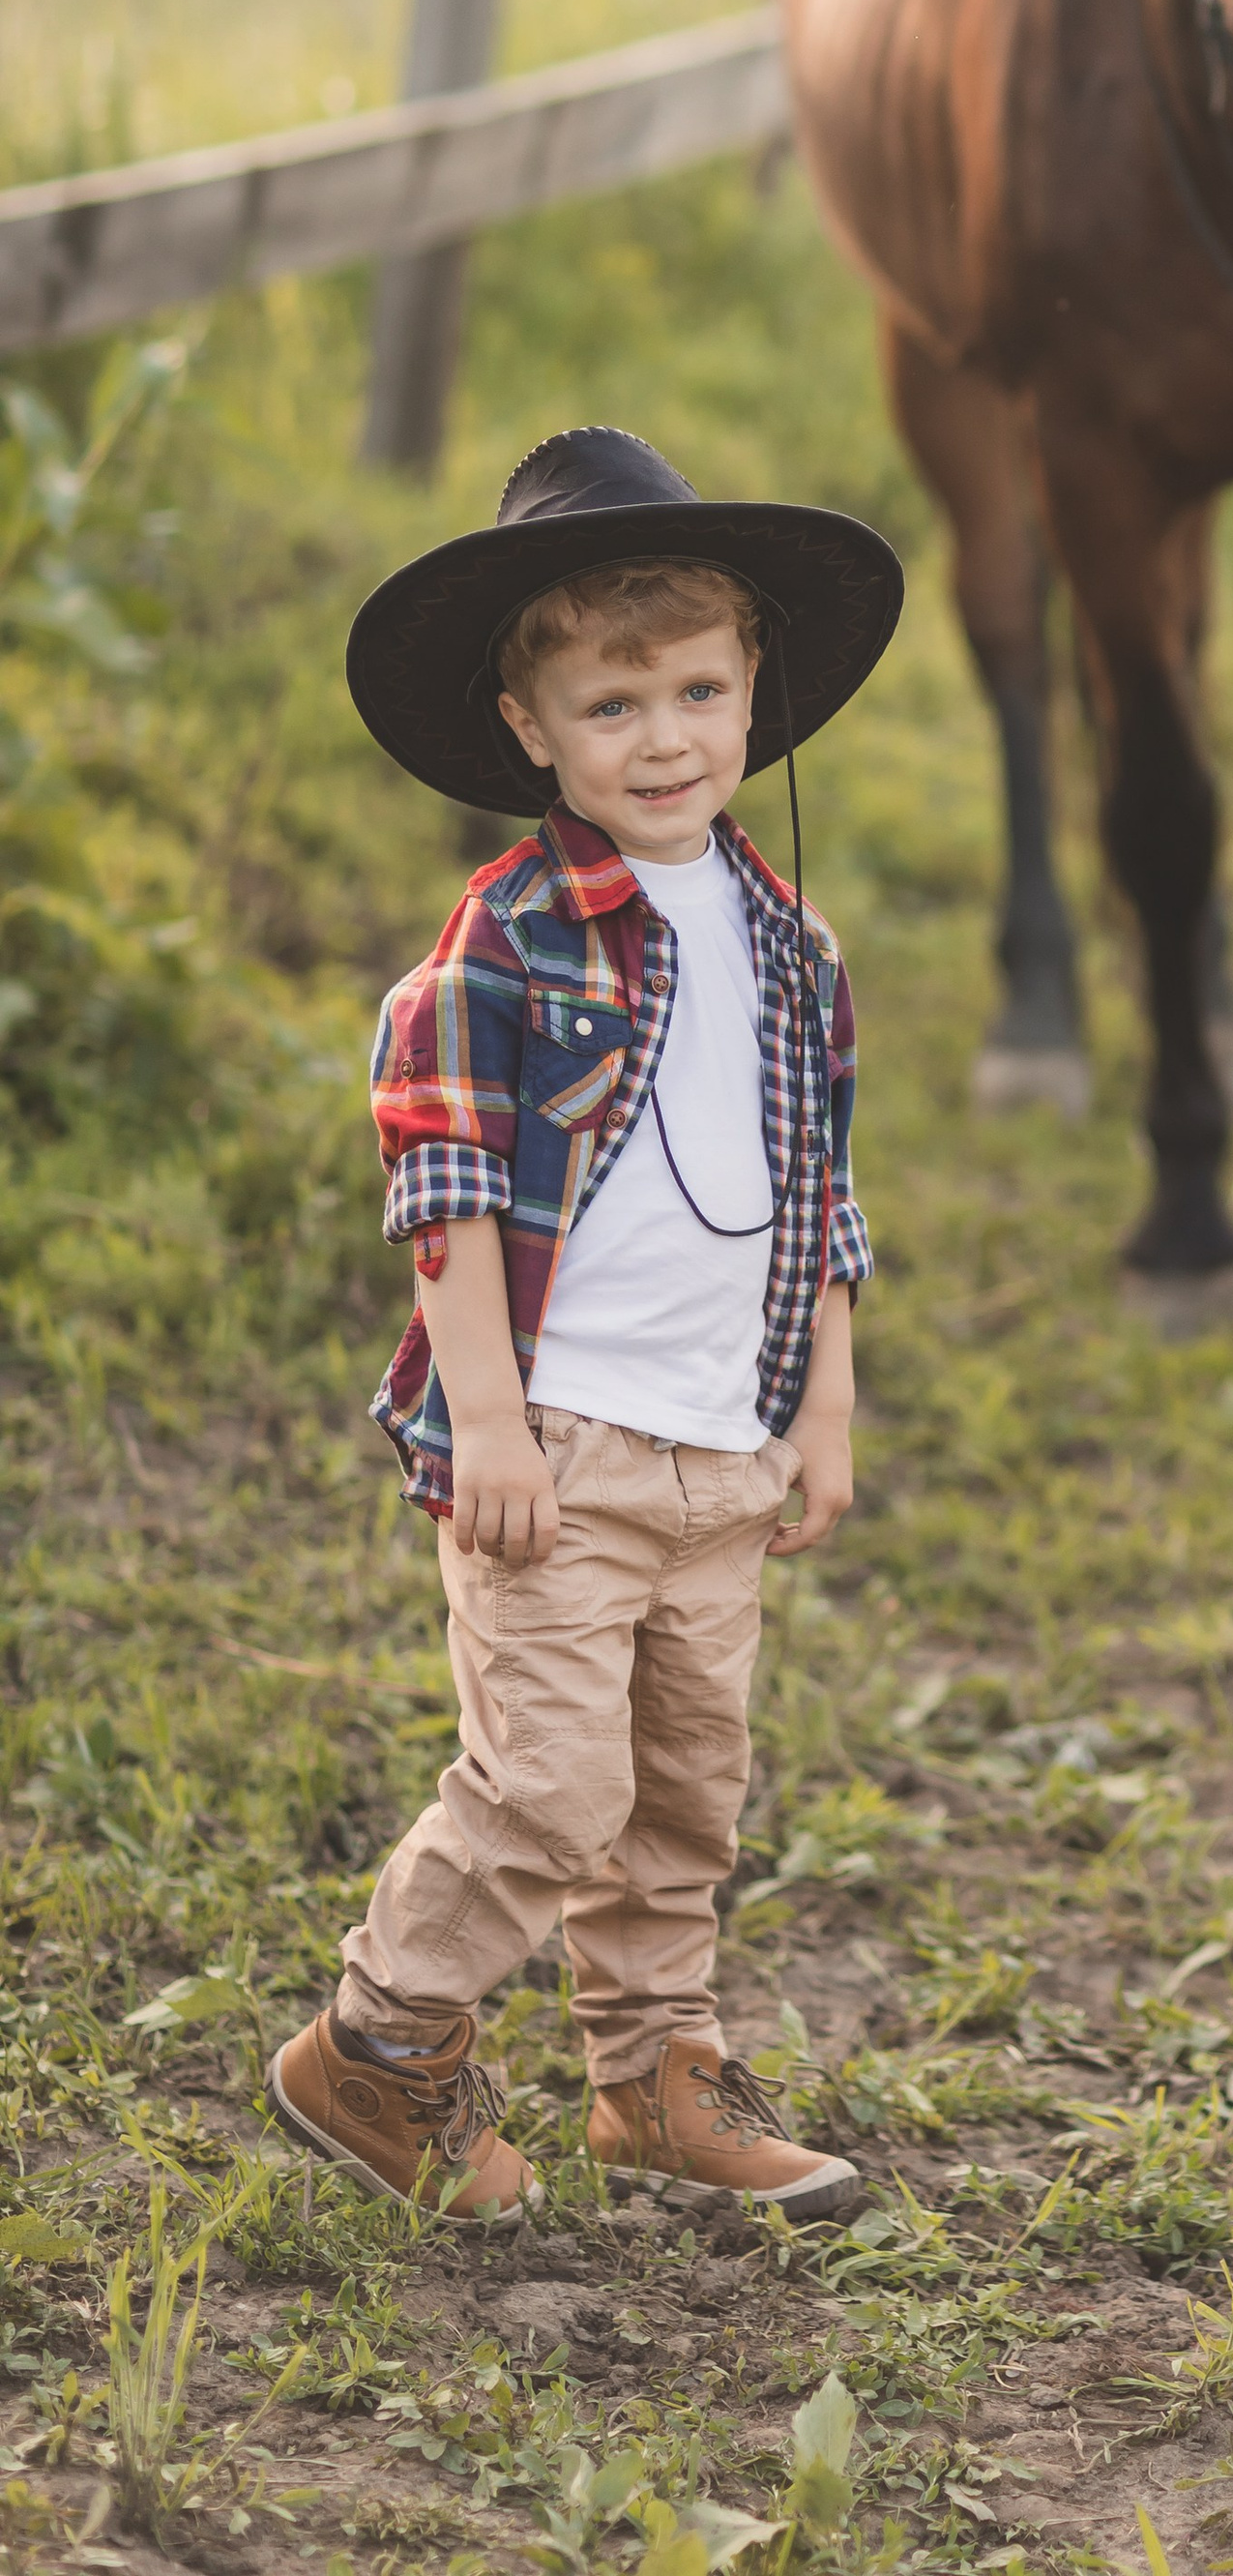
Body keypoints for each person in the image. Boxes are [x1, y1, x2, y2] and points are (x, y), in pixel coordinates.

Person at [268, 429, 903, 2221]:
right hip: (559, 1440)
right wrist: (487, 1419)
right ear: (531, 726)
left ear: (755, 689)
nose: (668, 736)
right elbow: (446, 1188)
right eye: (612, 702)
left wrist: (826, 1406)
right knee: (552, 1781)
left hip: (728, 1434)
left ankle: (656, 2079)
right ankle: (380, 2045)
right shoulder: (511, 938)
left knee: (686, 1790)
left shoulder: (791, 941)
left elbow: (823, 1185)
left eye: (699, 688)